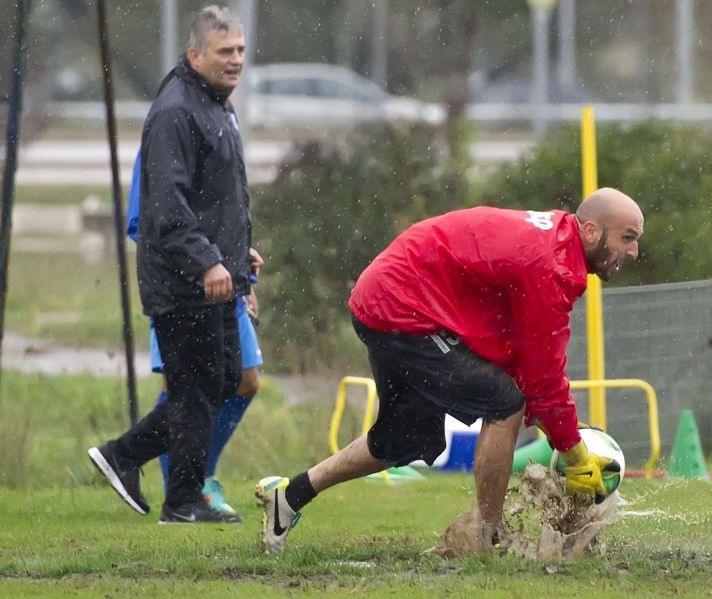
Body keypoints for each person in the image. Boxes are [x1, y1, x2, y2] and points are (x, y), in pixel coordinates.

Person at [256, 187, 644, 553]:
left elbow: (529, 367)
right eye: (627, 237)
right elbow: (541, 380)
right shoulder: (552, 265)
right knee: (504, 403)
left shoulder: (555, 249)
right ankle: (486, 536)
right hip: (401, 307)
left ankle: (288, 497)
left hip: (392, 300)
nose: (634, 251)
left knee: (402, 438)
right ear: (591, 230)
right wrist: (574, 452)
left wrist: (564, 435)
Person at [89, 5, 261, 524]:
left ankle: (124, 457)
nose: (235, 61)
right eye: (224, 52)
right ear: (195, 55)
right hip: (183, 280)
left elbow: (218, 198)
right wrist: (209, 262)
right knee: (195, 387)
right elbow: (166, 207)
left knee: (223, 379)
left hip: (215, 276)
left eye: (239, 51)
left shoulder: (217, 103)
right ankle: (179, 499)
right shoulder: (176, 111)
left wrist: (237, 256)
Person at [128, 150, 264, 518]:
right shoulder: (171, 127)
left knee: (242, 380)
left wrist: (240, 271)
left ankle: (188, 474)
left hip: (226, 284)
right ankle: (183, 488)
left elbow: (225, 213)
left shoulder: (219, 123)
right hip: (185, 288)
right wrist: (200, 264)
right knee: (184, 387)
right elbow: (150, 223)